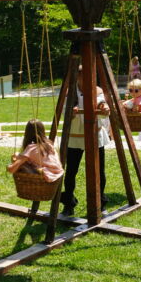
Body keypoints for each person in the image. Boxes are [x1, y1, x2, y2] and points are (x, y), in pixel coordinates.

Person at [61, 67, 111, 217]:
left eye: (89, 76)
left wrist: (104, 108)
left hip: (95, 136)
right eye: (83, 76)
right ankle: (68, 204)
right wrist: (71, 113)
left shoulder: (97, 90)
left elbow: (102, 103)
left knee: (99, 172)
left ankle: (100, 203)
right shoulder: (69, 92)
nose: (86, 79)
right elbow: (64, 113)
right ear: (77, 77)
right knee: (70, 172)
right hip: (76, 137)